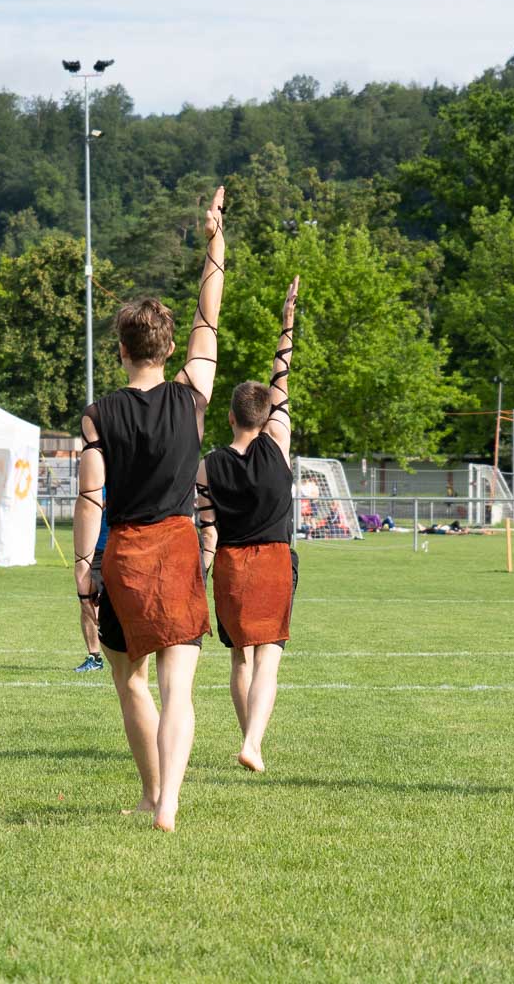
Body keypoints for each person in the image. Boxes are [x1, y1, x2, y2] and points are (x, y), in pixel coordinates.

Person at [74, 185, 227, 834]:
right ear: (167, 349)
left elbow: (90, 497)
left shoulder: (98, 414)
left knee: (130, 681)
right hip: (178, 548)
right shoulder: (192, 395)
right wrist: (215, 241)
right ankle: (167, 804)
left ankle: (151, 792)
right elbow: (208, 318)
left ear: (121, 348)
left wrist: (83, 568)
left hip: (126, 553)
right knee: (178, 689)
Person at [199, 275, 299, 774]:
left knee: (240, 657)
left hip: (231, 564)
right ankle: (253, 742)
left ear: (231, 416)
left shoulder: (208, 465)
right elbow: (282, 379)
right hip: (274, 561)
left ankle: (248, 739)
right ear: (265, 416)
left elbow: (207, 528)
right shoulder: (277, 442)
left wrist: (199, 573)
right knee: (269, 657)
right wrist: (287, 324)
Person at [73, 488, 109, 673]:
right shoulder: (95, 482)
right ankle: (94, 656)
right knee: (88, 599)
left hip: (123, 545)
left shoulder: (125, 477)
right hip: (95, 548)